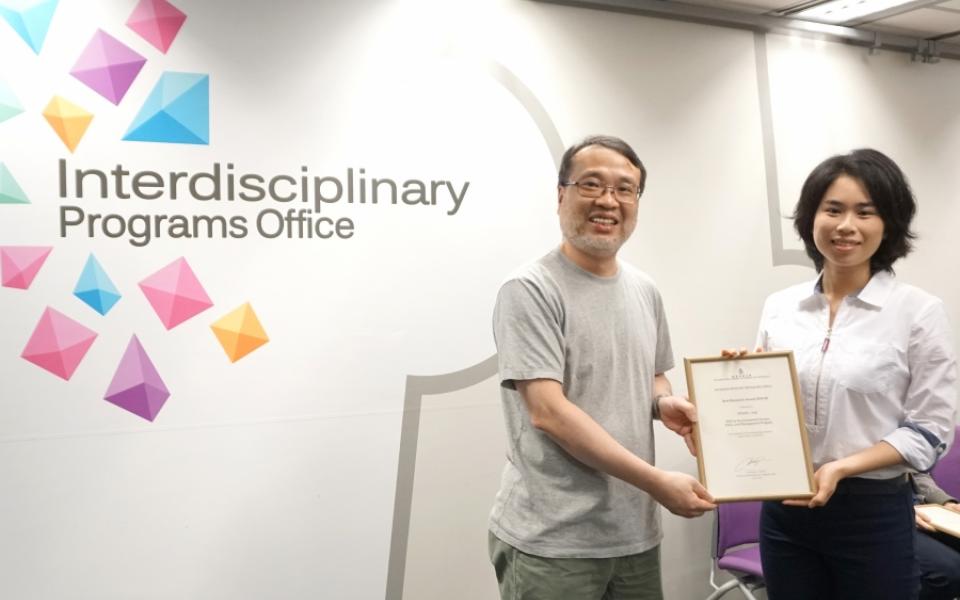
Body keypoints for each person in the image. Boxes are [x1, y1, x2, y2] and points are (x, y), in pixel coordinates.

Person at [487, 135, 715, 600]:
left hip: (633, 535)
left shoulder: (644, 289)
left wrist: (662, 402)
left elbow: (653, 374)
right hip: (554, 542)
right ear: (560, 195)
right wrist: (657, 483)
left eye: (625, 189)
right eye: (591, 185)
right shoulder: (530, 289)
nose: (609, 201)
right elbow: (548, 411)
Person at [731, 149, 957, 599]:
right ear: (810, 218)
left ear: (888, 224)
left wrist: (841, 467)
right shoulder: (781, 307)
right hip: (784, 508)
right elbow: (768, 412)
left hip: (871, 511)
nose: (845, 225)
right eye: (832, 209)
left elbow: (931, 430)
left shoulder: (918, 313)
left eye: (865, 212)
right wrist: (737, 382)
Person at [914, 472, 960, 600]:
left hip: (922, 508)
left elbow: (917, 474)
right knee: (949, 572)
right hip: (877, 513)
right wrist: (900, 510)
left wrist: (945, 502)